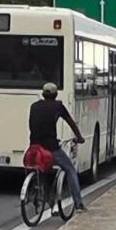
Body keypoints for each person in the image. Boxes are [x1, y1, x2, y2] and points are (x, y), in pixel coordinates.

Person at [29, 83, 87, 211]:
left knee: (43, 169)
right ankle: (79, 204)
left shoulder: (34, 106)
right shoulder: (58, 106)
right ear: (55, 95)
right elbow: (71, 122)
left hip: (35, 147)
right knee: (70, 169)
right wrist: (80, 138)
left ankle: (45, 196)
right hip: (51, 147)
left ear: (43, 94)